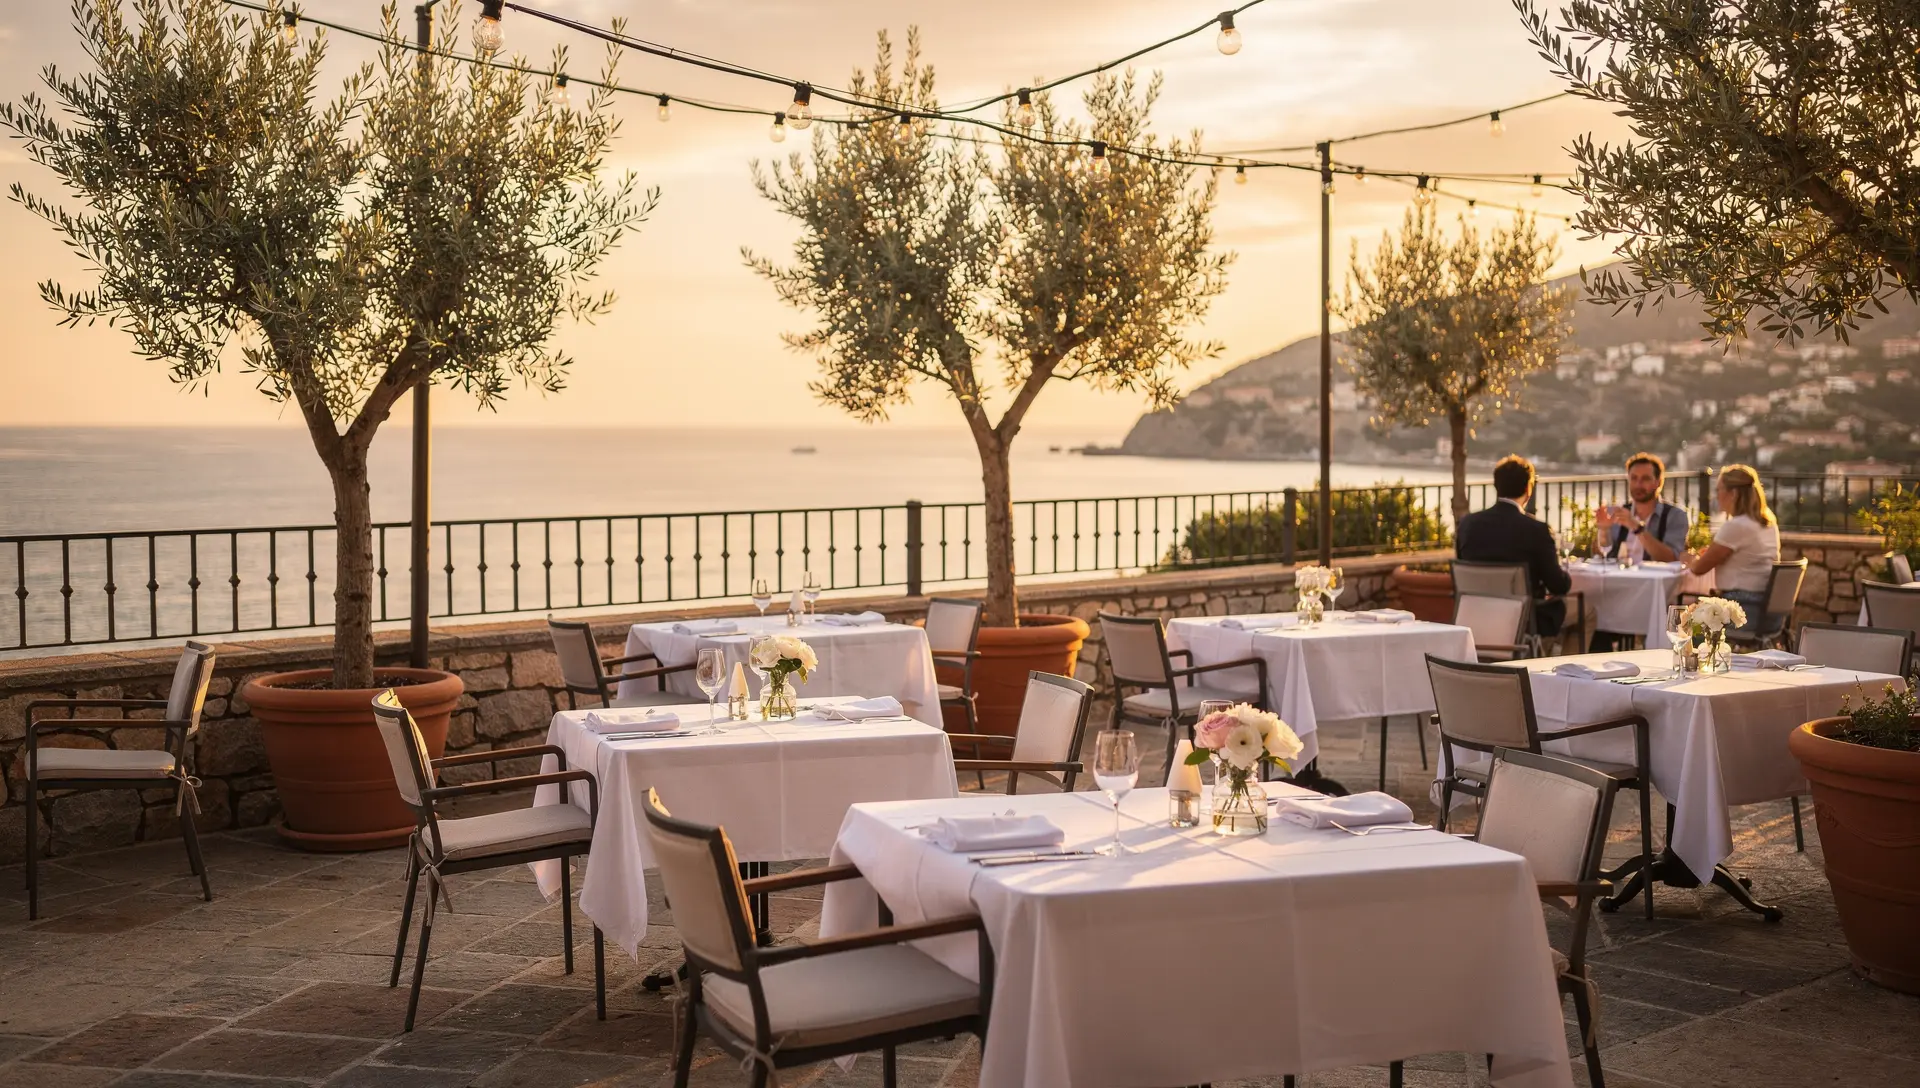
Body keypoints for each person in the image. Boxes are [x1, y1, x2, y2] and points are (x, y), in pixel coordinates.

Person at [1456, 455, 1574, 637]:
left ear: (1496, 486)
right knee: (1587, 612)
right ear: (1528, 488)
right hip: (1524, 620)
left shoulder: (1467, 525)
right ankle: (1556, 663)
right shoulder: (1537, 530)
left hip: (1476, 616)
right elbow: (1558, 585)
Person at [1686, 464, 1780, 635]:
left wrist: (1688, 558)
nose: (1716, 495)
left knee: (1683, 623)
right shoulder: (1768, 523)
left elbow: (1699, 569)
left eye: (1719, 490)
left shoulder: (1736, 526)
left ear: (1734, 494)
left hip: (1743, 608)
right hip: (1768, 609)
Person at [1595, 451, 1688, 563]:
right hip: (1619, 578)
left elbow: (1671, 558)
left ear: (1658, 482)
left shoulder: (1675, 516)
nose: (1638, 485)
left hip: (1654, 579)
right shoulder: (1616, 513)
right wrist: (1604, 531)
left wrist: (1636, 527)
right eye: (1634, 478)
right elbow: (1600, 555)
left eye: (1645, 479)